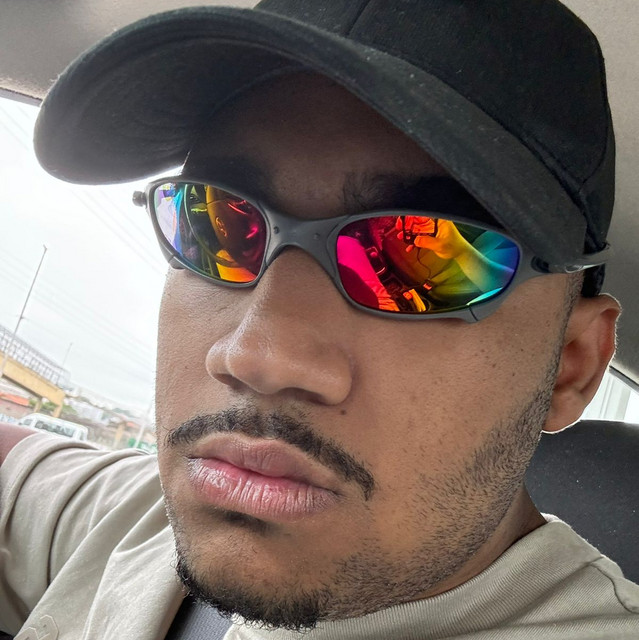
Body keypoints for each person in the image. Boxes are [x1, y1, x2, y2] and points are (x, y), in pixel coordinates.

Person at [1, 0, 638, 638]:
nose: (256, 356)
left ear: (571, 367)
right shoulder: (130, 523)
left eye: (419, 261)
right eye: (215, 225)